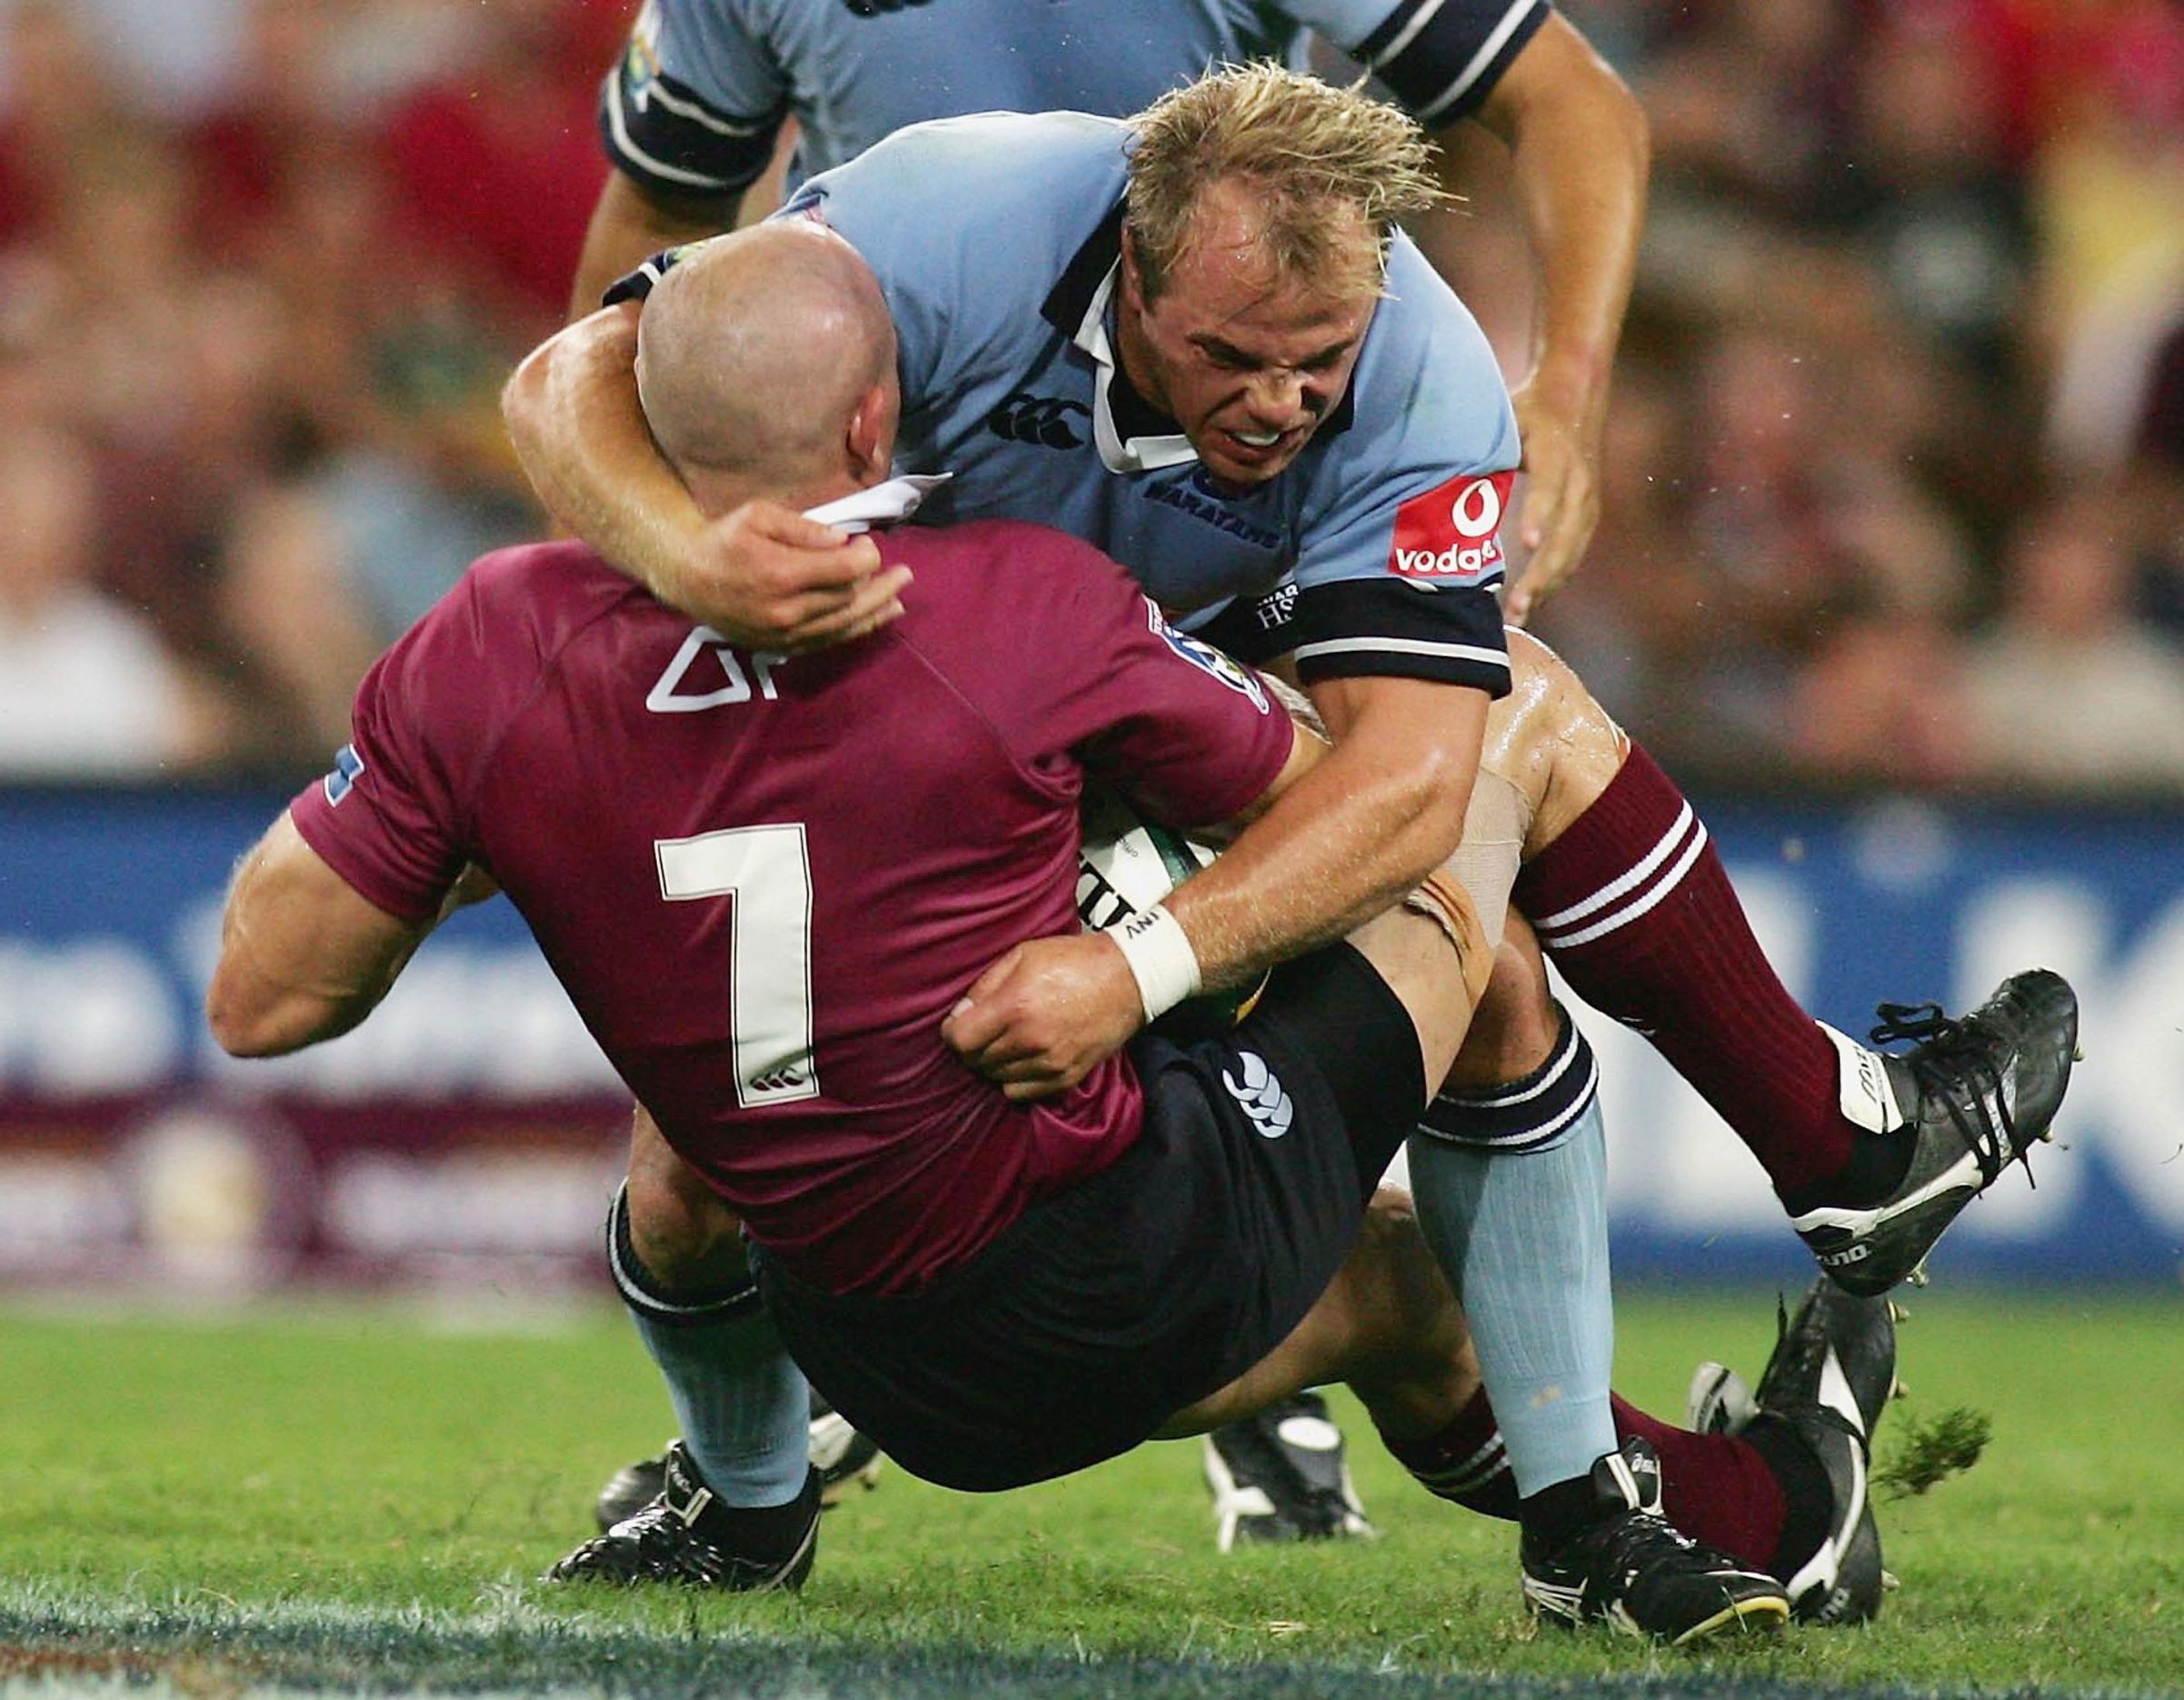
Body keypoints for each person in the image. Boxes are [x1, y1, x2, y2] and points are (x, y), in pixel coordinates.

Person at [207, 219, 1906, 1641]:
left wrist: (464, 813)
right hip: (1119, 1278)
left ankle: (739, 1510)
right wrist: (1143, 937)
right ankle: (1619, 1517)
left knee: (694, 1139)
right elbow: (1349, 813)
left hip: (869, 1353)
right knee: (1483, 813)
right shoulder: (1018, 604)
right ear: (880, 425)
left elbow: (263, 1000)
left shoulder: (486, 649)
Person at [504, 65, 2079, 1313]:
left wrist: (1142, 970)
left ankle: (1623, 1467)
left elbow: (1406, 782)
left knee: (1501, 831)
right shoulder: (952, 215)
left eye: (1320, 357)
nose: (1283, 403)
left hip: (1097, 706)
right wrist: (689, 561)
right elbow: (575, 368)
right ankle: (1839, 1149)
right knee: (694, 1169)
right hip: (855, 707)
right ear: (1132, 264)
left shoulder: (1425, 378)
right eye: (1235, 355)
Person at [570, 0, 1648, 618]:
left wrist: (1567, 390)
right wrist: (631, 535)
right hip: (886, 501)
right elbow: (661, 217)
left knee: (1492, 834)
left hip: (1213, 486)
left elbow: (1567, 97)